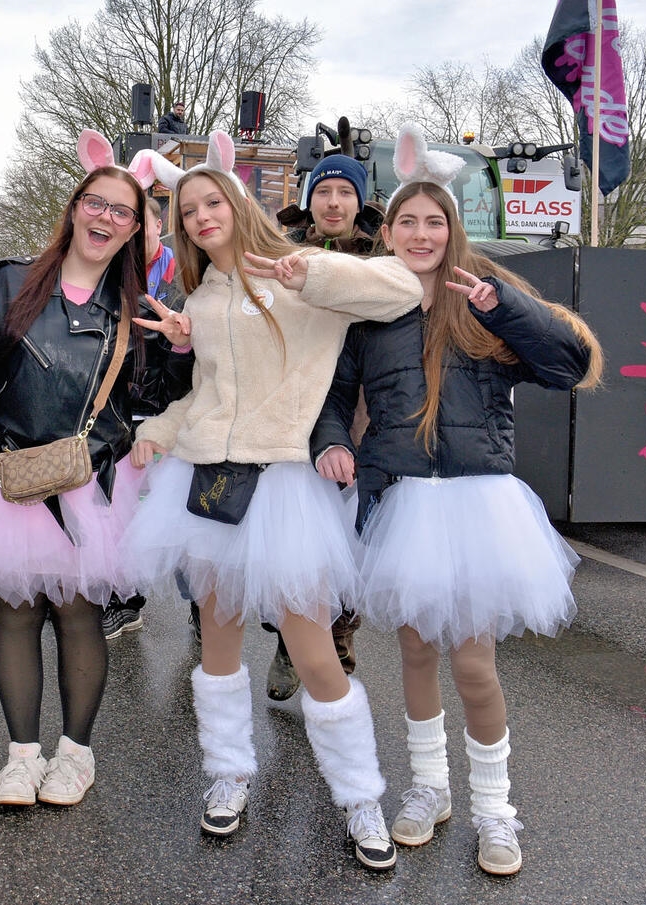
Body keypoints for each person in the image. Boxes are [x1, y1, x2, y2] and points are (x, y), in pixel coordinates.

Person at [309, 124, 604, 877]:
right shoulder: (370, 308)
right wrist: (331, 442)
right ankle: (428, 789)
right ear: (388, 231)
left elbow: (569, 365)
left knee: (474, 666)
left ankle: (496, 810)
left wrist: (503, 308)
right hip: (403, 500)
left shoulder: (487, 296)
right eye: (406, 221)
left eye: (434, 221)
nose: (420, 233)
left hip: (478, 506)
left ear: (452, 229)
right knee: (414, 653)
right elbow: (334, 396)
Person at [122, 132, 422, 870]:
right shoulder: (201, 296)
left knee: (314, 650)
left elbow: (403, 288)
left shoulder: (297, 272)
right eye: (187, 210)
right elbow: (207, 397)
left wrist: (309, 270)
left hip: (284, 485)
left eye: (211, 202)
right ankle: (228, 773)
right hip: (209, 482)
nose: (200, 217)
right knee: (217, 644)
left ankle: (360, 797)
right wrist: (157, 432)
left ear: (238, 203)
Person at [0, 129, 190, 808]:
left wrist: (179, 350)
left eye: (122, 212)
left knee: (78, 616)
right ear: (75, 208)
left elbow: (152, 399)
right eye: (95, 203)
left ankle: (75, 755)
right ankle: (22, 756)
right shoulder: (7, 280)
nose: (106, 217)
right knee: (14, 614)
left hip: (91, 481)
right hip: (8, 474)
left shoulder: (137, 310)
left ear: (134, 230)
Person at [261, 152, 382, 702]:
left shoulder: (382, 257)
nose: (334, 203)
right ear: (310, 199)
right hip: (292, 412)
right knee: (297, 541)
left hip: (357, 416)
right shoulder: (281, 253)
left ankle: (339, 647)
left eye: (345, 193)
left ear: (360, 201)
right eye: (324, 192)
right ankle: (292, 642)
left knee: (352, 541)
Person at [101, 195, 184, 641]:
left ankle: (199, 609)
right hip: (116, 411)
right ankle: (121, 598)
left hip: (170, 411)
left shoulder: (183, 276)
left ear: (157, 225)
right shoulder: (105, 273)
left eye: (141, 223)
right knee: (117, 511)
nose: (134, 234)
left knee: (177, 518)